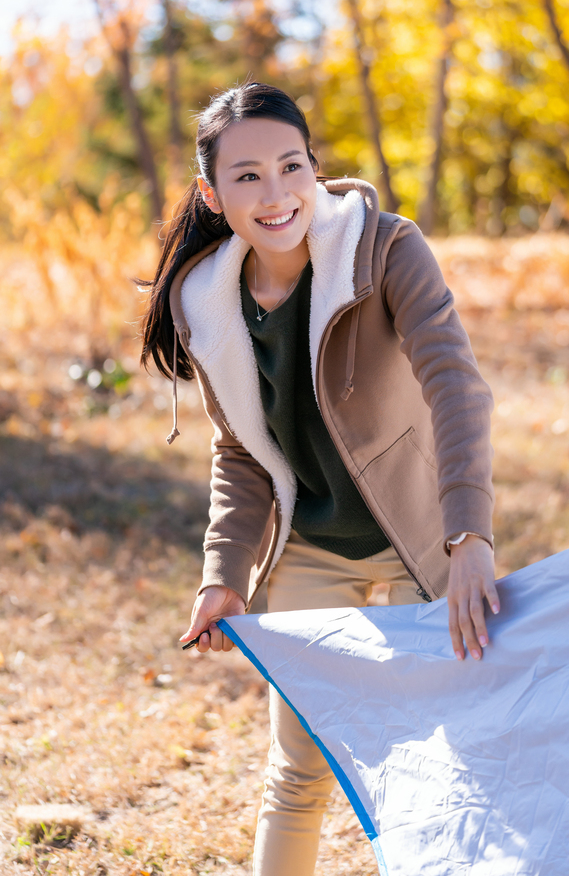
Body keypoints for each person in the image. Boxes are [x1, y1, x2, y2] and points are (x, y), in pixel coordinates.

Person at [140, 81, 499, 876]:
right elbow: (238, 450)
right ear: (212, 193)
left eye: (290, 165)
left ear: (314, 167)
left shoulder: (385, 248)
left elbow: (454, 384)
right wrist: (222, 575)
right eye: (246, 177)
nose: (276, 195)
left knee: (449, 758)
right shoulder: (210, 302)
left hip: (422, 539)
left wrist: (469, 534)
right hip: (311, 548)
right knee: (298, 766)